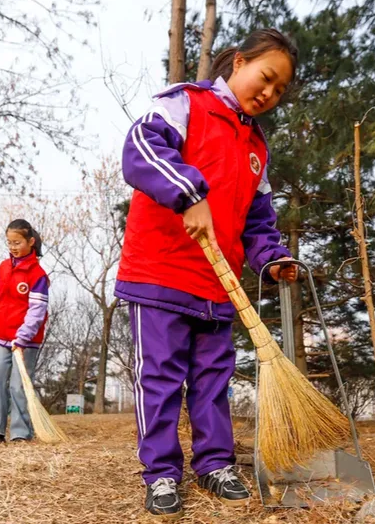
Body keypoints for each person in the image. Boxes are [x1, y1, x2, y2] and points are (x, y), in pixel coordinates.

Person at [115, 28, 300, 518]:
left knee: (213, 378)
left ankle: (215, 464)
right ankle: (160, 474)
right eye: (266, 77)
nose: (269, 93)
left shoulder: (257, 149)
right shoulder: (185, 105)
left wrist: (271, 256)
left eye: (279, 90)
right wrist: (189, 193)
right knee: (159, 378)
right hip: (161, 273)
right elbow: (140, 148)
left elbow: (258, 220)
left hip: (220, 286)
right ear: (238, 62)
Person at [0, 219, 49, 444]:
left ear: (30, 242)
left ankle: (20, 432)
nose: (13, 247)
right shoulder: (3, 267)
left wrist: (23, 337)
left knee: (19, 384)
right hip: (0, 335)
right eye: (9, 242)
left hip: (25, 340)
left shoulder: (37, 275)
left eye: (17, 242)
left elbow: (37, 310)